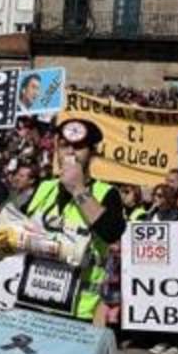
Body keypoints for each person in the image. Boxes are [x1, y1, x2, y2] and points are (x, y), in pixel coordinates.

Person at [23, 119, 126, 322]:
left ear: (92, 152)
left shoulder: (107, 193)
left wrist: (77, 189)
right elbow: (10, 222)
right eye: (64, 146)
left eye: (78, 147)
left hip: (78, 311)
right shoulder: (44, 188)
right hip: (34, 301)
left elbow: (111, 232)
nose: (70, 152)